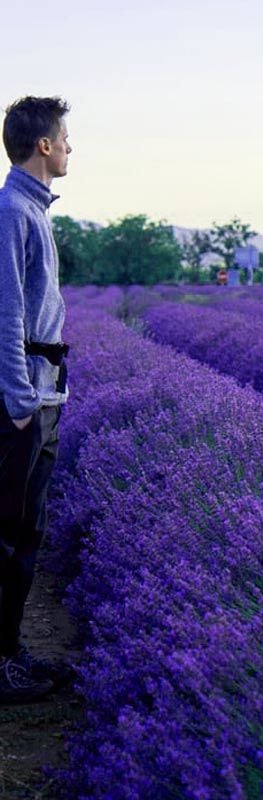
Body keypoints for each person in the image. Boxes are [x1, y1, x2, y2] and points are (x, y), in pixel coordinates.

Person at [0, 96, 71, 702]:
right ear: (43, 145)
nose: (72, 147)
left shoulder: (33, 210)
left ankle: (11, 652)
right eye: (66, 137)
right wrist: (20, 400)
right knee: (5, 534)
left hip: (45, 396)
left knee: (27, 536)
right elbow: (5, 312)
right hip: (22, 402)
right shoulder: (12, 213)